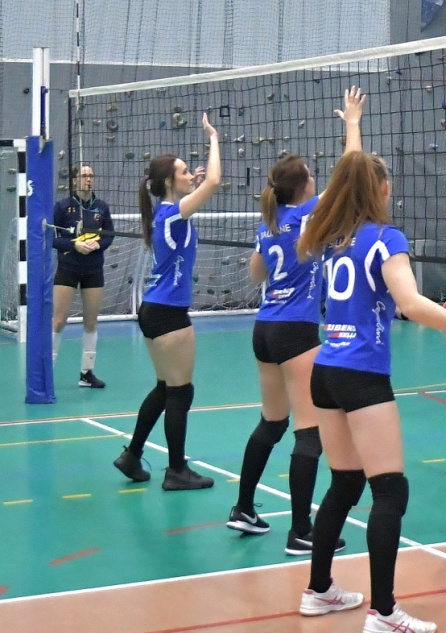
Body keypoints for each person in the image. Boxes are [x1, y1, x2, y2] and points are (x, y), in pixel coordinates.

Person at [294, 150, 446, 633]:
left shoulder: (332, 237)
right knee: (390, 490)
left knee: (345, 484)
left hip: (326, 370)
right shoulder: (385, 238)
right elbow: (411, 304)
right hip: (361, 374)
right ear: (382, 189)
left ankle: (319, 589)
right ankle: (384, 613)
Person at [226, 87, 365, 556]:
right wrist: (352, 123)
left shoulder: (269, 220)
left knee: (272, 422)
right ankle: (301, 530)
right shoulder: (309, 214)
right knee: (309, 431)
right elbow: (350, 174)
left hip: (264, 328)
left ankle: (244, 508)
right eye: (310, 175)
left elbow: (256, 272)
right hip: (296, 330)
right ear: (305, 186)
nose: (315, 178)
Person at [112, 113, 221, 491]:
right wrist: (213, 137)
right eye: (184, 171)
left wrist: (194, 182)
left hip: (154, 309)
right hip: (169, 313)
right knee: (180, 391)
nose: (191, 174)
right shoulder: (174, 213)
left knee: (165, 387)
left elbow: (199, 187)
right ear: (170, 182)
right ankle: (176, 470)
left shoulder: (166, 212)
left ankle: (132, 455)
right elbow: (215, 181)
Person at [51, 165, 114, 388]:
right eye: (84, 175)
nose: (88, 179)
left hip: (93, 269)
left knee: (91, 322)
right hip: (68, 268)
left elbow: (109, 235)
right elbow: (52, 238)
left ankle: (86, 374)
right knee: (58, 321)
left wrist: (98, 245)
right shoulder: (62, 207)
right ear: (75, 180)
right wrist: (74, 245)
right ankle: (48, 372)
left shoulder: (102, 207)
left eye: (91, 176)